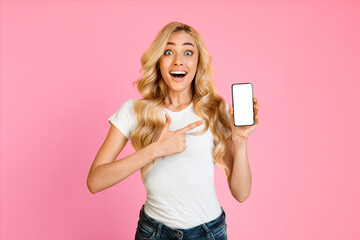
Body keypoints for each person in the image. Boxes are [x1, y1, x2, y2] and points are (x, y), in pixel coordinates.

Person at [87, 22, 259, 240]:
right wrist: (154, 150)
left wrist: (240, 140)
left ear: (198, 63)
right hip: (153, 233)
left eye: (188, 52)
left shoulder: (216, 111)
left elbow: (241, 193)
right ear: (158, 61)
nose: (179, 60)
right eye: (169, 52)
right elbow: (95, 181)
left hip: (208, 233)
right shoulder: (132, 111)